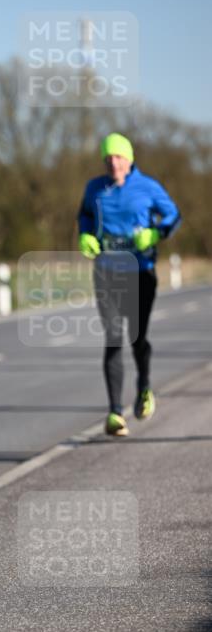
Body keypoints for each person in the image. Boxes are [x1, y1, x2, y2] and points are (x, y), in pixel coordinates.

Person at [77, 132, 181, 436]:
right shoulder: (94, 188)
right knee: (112, 337)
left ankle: (145, 387)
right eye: (108, 157)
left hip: (141, 272)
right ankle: (114, 412)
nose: (113, 162)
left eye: (119, 156)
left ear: (130, 158)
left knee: (137, 338)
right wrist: (85, 234)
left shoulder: (148, 187)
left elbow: (173, 215)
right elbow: (83, 214)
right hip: (107, 272)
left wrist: (156, 233)